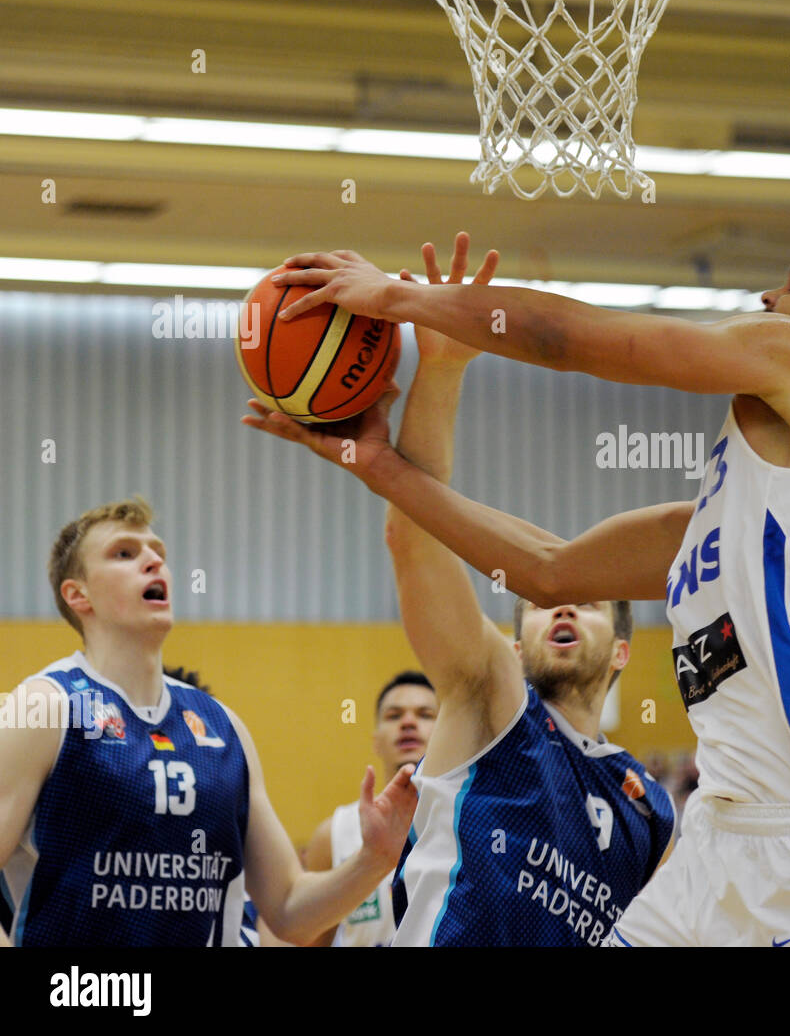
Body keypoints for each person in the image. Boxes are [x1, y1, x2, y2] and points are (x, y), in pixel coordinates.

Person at [244, 217, 790, 947]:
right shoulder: (759, 511)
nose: (770, 296)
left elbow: (578, 337)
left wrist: (397, 298)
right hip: (720, 840)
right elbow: (548, 571)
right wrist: (377, 463)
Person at [252, 235, 676, 946]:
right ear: (514, 640)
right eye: (542, 604)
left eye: (592, 604)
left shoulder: (652, 808)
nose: (563, 604)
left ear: (626, 651)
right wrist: (441, 371)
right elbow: (414, 539)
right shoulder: (492, 695)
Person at [0, 499, 416, 947]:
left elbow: (290, 912)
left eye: (157, 550)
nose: (153, 559)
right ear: (77, 594)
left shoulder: (223, 726)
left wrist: (374, 859)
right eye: (124, 553)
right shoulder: (44, 705)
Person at [302, 671, 438, 947]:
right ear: (376, 741)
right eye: (394, 715)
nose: (409, 722)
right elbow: (309, 940)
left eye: (424, 714)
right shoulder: (333, 834)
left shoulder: (472, 823)